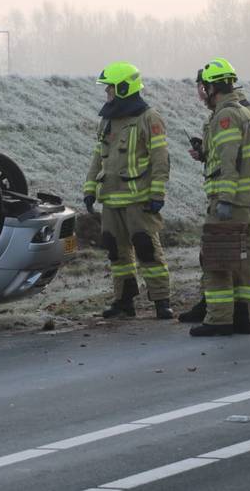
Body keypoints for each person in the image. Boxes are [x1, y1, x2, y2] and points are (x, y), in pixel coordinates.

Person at [82, 62, 173, 320]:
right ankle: (124, 300)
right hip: (111, 199)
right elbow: (98, 157)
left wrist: (157, 194)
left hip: (139, 200)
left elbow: (160, 159)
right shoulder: (107, 121)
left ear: (124, 87)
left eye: (110, 88)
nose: (107, 93)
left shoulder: (149, 118)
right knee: (116, 251)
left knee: (146, 248)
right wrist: (90, 188)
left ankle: (161, 300)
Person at [179, 78, 250, 323]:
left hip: (229, 200)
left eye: (203, 87)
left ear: (212, 88)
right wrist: (206, 153)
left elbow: (230, 161)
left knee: (217, 260)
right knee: (246, 265)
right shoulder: (246, 112)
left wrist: (226, 199)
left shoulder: (226, 116)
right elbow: (242, 157)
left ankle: (219, 320)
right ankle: (245, 318)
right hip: (248, 200)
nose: (201, 93)